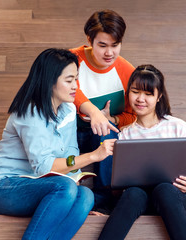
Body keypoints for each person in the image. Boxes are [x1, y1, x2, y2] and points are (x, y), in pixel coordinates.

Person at [0, 48, 116, 240]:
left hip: (39, 185)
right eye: (69, 80)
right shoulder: (29, 112)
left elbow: (70, 156)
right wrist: (93, 156)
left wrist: (76, 186)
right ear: (50, 80)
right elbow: (43, 167)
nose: (75, 86)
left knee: (85, 195)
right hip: (1, 187)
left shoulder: (68, 110)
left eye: (76, 79)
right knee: (64, 187)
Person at [98, 64, 186, 240]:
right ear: (128, 93)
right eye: (135, 91)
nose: (140, 99)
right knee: (134, 193)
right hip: (138, 201)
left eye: (148, 94)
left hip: (173, 200)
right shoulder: (124, 134)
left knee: (164, 189)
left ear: (159, 96)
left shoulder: (178, 126)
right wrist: (119, 184)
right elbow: (117, 191)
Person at [70, 9, 136, 213]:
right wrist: (93, 111)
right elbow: (62, 88)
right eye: (102, 45)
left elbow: (133, 114)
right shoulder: (71, 59)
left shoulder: (126, 71)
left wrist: (112, 118)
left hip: (98, 134)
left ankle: (104, 202)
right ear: (89, 40)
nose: (109, 53)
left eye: (115, 46)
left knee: (108, 131)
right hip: (68, 131)